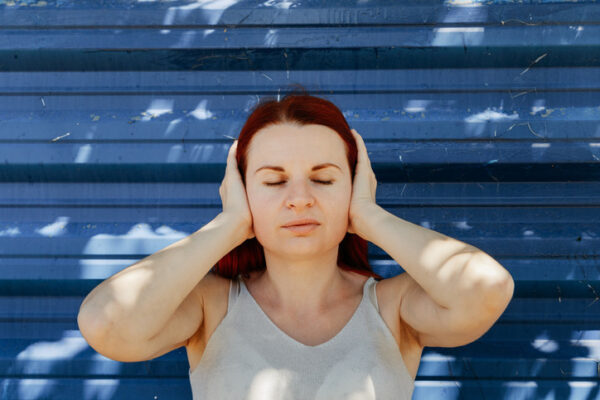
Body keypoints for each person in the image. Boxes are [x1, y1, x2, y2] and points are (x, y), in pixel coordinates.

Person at [77, 90, 514, 399]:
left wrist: (368, 217)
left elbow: (487, 289)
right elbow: (105, 325)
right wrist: (230, 225)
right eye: (273, 180)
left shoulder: (392, 307)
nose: (300, 197)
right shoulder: (211, 306)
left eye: (323, 179)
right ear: (242, 190)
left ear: (354, 186)